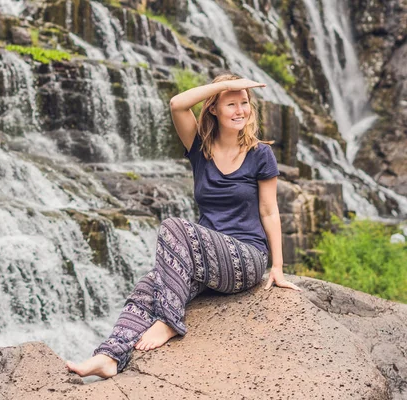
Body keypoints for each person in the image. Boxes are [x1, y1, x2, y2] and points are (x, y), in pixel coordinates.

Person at [66, 73, 302, 379]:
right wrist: (222, 86)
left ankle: (169, 322)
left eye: (244, 103)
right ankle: (109, 356)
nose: (240, 110)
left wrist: (278, 266)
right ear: (213, 108)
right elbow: (177, 104)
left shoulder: (260, 154)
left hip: (247, 258)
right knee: (148, 286)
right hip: (205, 261)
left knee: (173, 227)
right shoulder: (199, 147)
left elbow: (270, 211)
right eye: (231, 103)